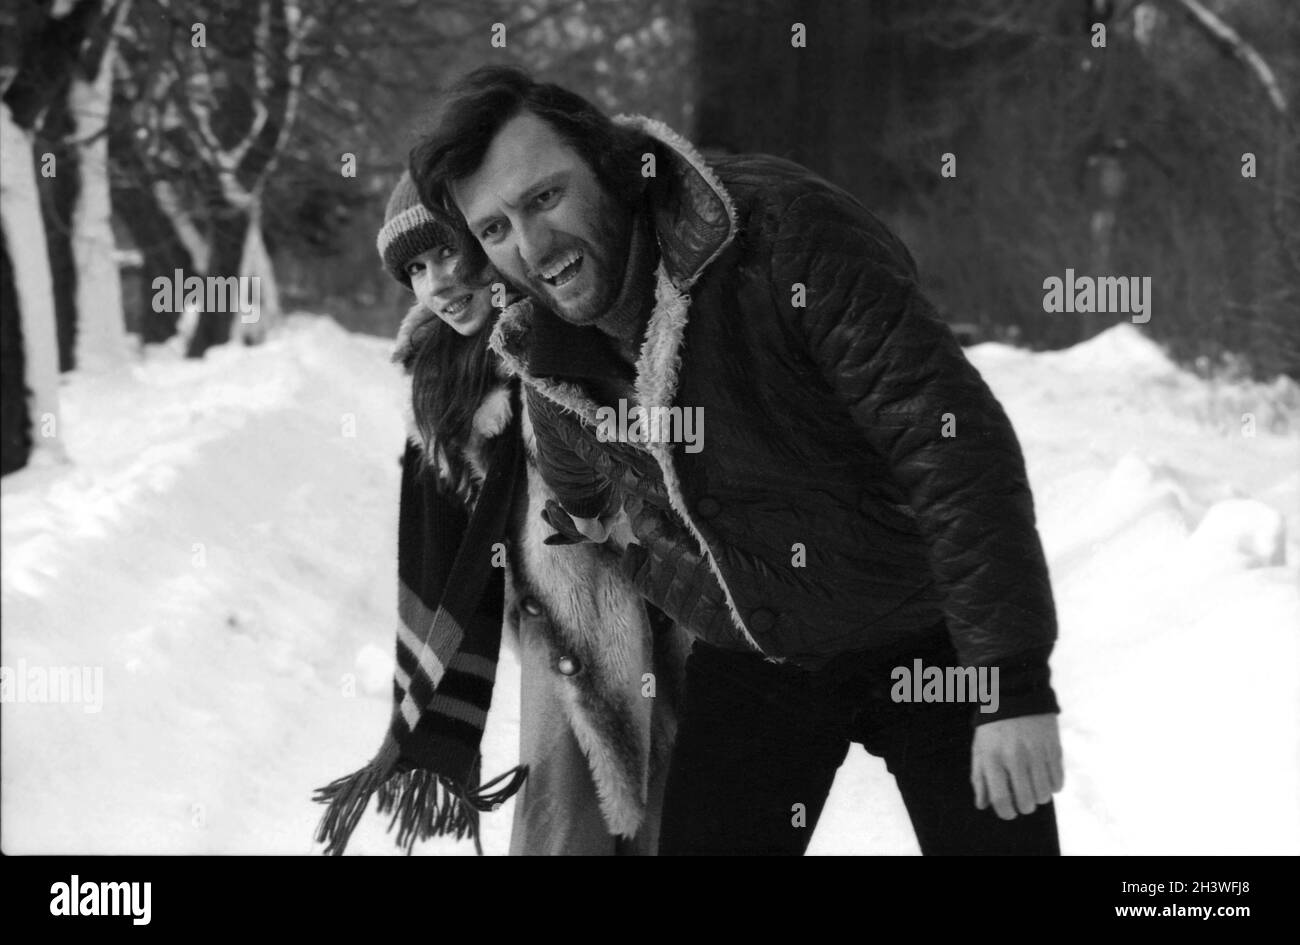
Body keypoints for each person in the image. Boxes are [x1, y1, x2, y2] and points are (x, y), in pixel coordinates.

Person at [410, 66, 1066, 855]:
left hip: (930, 628)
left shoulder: (780, 232)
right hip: (764, 650)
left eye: (545, 197)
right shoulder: (549, 363)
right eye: (495, 228)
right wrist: (705, 599)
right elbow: (591, 513)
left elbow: (950, 442)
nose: (533, 244)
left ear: (606, 161)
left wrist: (1010, 684)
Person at [313, 172, 687, 856]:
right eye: (417, 270)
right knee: (564, 826)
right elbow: (448, 547)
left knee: (684, 816)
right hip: (563, 639)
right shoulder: (439, 379)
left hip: (671, 607)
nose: (438, 284)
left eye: (450, 253)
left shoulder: (579, 331)